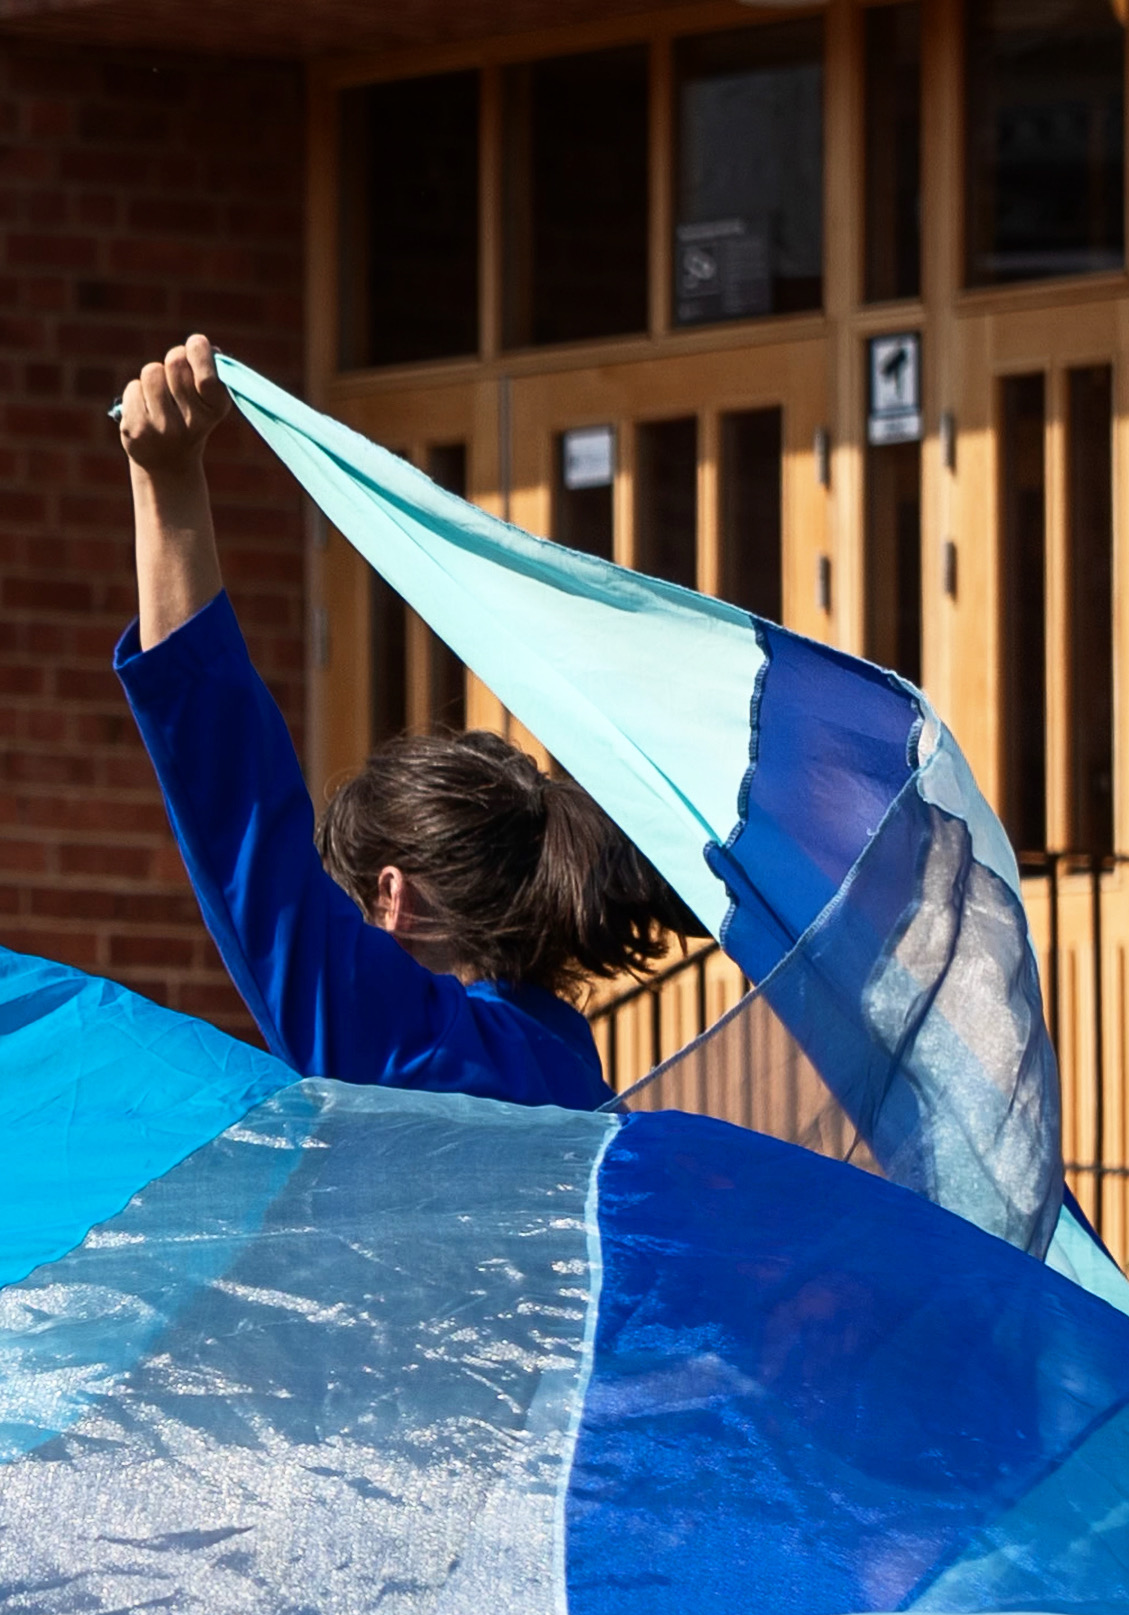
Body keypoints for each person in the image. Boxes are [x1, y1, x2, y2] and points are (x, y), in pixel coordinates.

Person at [112, 332, 698, 1110]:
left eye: (347, 910)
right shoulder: (576, 1079)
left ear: (394, 899)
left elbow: (240, 820)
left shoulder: (418, 1053)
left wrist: (167, 482)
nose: (343, 931)